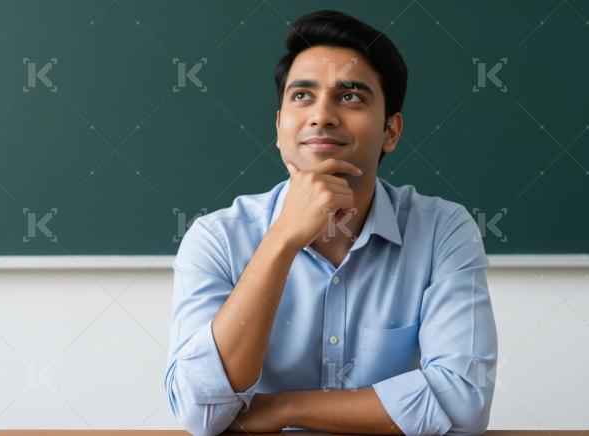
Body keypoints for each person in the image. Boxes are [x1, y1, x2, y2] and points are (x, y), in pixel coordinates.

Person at [164, 9, 497, 436]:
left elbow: (465, 403)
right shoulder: (217, 238)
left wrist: (284, 409)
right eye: (302, 96)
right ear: (280, 127)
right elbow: (202, 413)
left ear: (391, 132)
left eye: (350, 97)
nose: (321, 116)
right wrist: (282, 238)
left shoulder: (443, 231)